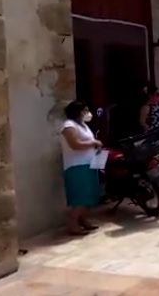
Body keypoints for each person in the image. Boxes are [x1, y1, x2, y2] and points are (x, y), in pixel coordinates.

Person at [60, 101, 103, 236]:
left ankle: (83, 220)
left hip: (89, 163)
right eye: (84, 110)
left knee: (90, 194)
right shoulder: (69, 126)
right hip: (77, 165)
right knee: (80, 196)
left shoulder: (83, 125)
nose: (87, 112)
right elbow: (75, 144)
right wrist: (93, 143)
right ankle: (73, 224)